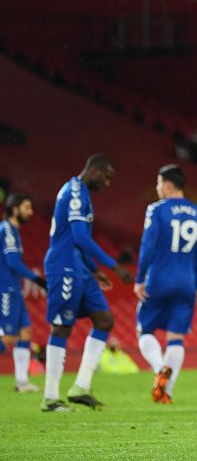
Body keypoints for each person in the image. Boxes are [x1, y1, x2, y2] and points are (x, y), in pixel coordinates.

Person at [42, 155, 134, 412]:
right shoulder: (74, 191)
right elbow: (80, 237)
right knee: (61, 327)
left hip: (80, 268)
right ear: (94, 170)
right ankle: (50, 398)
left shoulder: (82, 193)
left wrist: (93, 269)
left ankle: (80, 388)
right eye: (106, 177)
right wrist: (114, 266)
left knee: (104, 320)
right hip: (63, 266)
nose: (107, 183)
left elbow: (78, 241)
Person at [135, 164, 197, 404]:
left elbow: (147, 246)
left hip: (159, 280)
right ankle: (166, 392)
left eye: (158, 183)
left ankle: (160, 368)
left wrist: (139, 279)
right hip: (187, 283)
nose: (157, 188)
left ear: (167, 185)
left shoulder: (156, 210)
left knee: (144, 330)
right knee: (176, 337)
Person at [1, 192, 47, 392]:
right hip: (5, 290)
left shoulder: (14, 231)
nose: (31, 212)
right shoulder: (7, 230)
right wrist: (37, 280)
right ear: (14, 209)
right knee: (8, 338)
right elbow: (13, 263)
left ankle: (21, 382)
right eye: (27, 207)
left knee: (25, 332)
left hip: (14, 290)